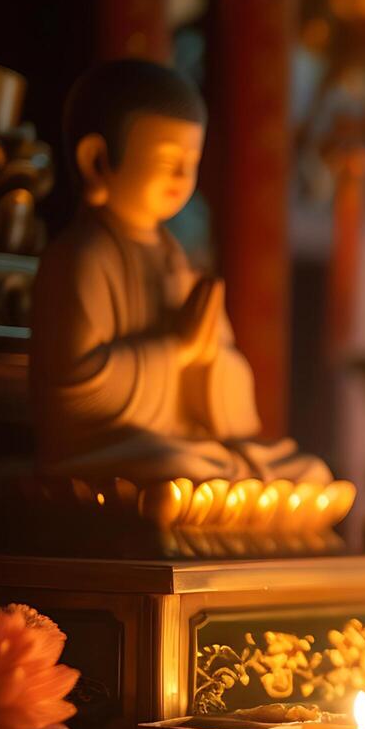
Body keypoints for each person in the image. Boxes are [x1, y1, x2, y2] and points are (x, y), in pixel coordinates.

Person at [30, 59, 330, 485]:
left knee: (306, 473)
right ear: (98, 160)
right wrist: (176, 351)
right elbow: (75, 388)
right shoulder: (82, 255)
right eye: (168, 158)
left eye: (192, 159)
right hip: (106, 448)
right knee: (174, 469)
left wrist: (209, 358)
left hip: (184, 444)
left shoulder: (177, 258)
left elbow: (231, 399)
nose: (183, 175)